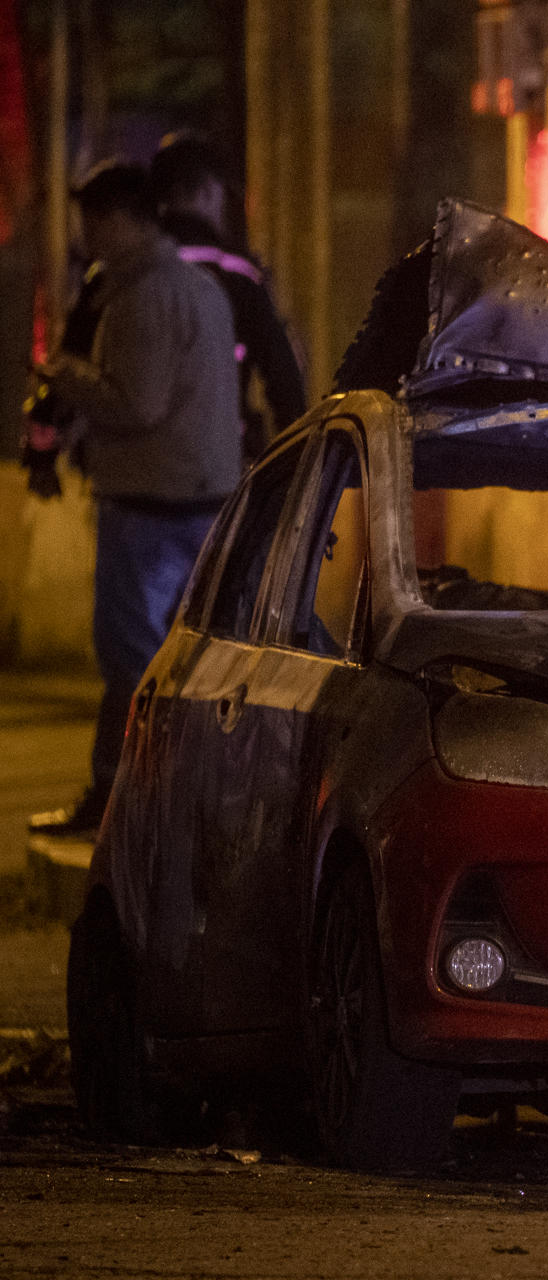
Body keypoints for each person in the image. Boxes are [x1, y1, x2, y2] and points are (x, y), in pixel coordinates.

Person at [27, 163, 243, 838]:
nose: (85, 234)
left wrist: (67, 375)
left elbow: (135, 402)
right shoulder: (200, 289)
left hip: (147, 505)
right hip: (203, 499)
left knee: (131, 660)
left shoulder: (140, 297)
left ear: (119, 220)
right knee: (192, 661)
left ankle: (116, 800)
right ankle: (184, 802)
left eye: (92, 220)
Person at [150, 130, 307, 459]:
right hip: (220, 463)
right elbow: (282, 377)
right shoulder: (238, 273)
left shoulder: (125, 270)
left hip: (136, 471)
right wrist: (295, 457)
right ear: (207, 191)